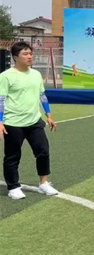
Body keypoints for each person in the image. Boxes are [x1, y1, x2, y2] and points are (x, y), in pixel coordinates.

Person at [0, 42, 58, 199]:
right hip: (13, 123)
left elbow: (42, 95)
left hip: (34, 121)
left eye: (30, 53)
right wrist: (0, 121)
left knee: (43, 151)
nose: (29, 56)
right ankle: (13, 187)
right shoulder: (5, 76)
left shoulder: (36, 74)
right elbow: (1, 99)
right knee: (12, 156)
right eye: (25, 54)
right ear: (15, 57)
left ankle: (44, 183)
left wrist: (49, 115)